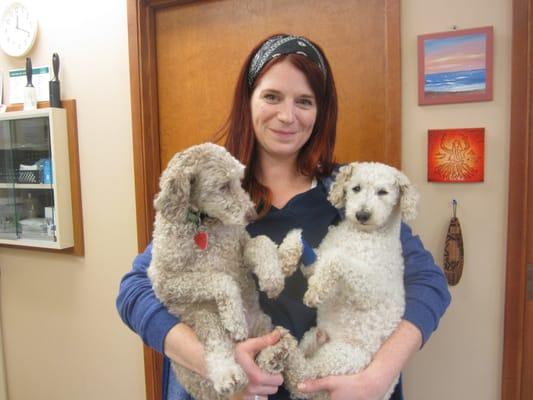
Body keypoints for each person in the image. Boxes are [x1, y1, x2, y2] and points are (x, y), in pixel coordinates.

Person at [117, 33, 451, 400]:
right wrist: (212, 362)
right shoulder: (211, 194)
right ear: (248, 101)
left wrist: (378, 377)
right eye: (272, 96)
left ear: (321, 112)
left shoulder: (351, 195)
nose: (287, 116)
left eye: (304, 101)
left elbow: (429, 283)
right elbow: (135, 291)